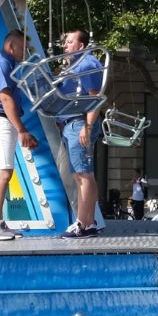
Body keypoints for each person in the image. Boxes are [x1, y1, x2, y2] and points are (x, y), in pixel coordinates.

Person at [0, 30, 39, 242]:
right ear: (11, 46)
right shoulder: (3, 64)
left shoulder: (4, 64)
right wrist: (21, 129)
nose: (25, 52)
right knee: (3, 172)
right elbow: (5, 97)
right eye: (22, 48)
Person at [58, 27, 106, 237]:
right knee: (87, 175)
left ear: (81, 45)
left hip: (79, 123)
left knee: (82, 175)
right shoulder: (79, 65)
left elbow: (95, 98)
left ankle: (81, 224)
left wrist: (86, 127)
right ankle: (90, 222)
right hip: (75, 123)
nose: (65, 46)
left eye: (69, 42)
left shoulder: (86, 64)